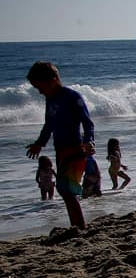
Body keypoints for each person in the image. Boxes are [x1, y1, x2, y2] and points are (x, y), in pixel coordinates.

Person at [24, 61, 95, 229]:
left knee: (66, 190)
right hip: (60, 149)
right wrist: (39, 143)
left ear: (53, 80)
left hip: (76, 148)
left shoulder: (72, 96)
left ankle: (79, 227)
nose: (40, 92)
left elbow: (87, 122)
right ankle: (77, 226)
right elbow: (49, 124)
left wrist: (89, 140)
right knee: (65, 190)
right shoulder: (50, 100)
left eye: (40, 87)